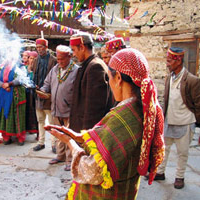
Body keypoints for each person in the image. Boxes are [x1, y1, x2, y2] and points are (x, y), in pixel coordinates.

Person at [45, 48, 165, 199]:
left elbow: (91, 170)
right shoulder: (141, 108)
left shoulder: (123, 118)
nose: (109, 84)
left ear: (119, 78)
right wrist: (78, 136)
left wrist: (69, 143)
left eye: (109, 79)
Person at [154, 47, 200, 189]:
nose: (167, 64)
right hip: (169, 121)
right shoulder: (169, 78)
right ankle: (160, 173)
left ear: (178, 61)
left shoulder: (192, 80)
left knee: (183, 153)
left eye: (169, 61)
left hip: (185, 122)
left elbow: (198, 105)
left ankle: (179, 177)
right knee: (164, 149)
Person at [38, 45, 79, 171]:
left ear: (70, 57)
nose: (59, 61)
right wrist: (43, 91)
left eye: (62, 59)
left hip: (69, 109)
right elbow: (47, 84)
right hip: (55, 108)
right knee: (58, 134)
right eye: (58, 59)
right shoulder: (55, 69)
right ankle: (60, 156)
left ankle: (70, 159)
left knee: (68, 135)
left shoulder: (76, 70)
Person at [69, 32, 113, 132]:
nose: (74, 54)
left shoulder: (95, 67)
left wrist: (87, 136)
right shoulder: (88, 65)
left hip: (88, 133)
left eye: (74, 50)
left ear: (82, 47)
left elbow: (94, 110)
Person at [32, 38, 57, 151]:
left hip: (49, 95)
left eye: (41, 47)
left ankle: (54, 144)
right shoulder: (36, 60)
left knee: (51, 121)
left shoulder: (53, 60)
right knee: (40, 119)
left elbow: (56, 78)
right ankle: (41, 142)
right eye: (37, 48)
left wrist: (49, 91)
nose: (39, 50)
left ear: (46, 47)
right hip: (38, 94)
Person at [0, 61, 27, 146]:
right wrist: (3, 85)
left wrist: (9, 84)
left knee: (17, 115)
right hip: (4, 94)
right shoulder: (3, 67)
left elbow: (21, 79)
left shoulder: (20, 66)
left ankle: (20, 137)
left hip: (16, 95)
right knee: (5, 115)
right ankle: (7, 136)